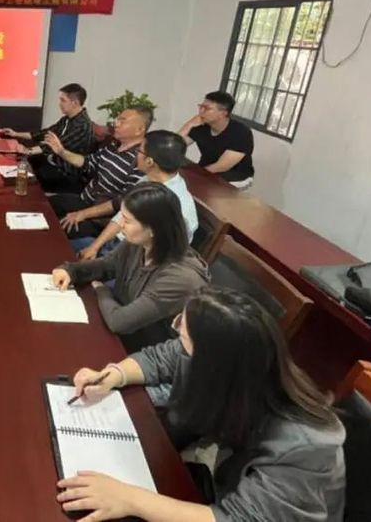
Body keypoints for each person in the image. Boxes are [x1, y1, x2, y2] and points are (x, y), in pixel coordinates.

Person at [58, 288, 344, 522]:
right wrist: (114, 375)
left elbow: (239, 518)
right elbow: (162, 358)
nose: (177, 339)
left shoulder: (305, 447)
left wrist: (131, 498)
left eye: (183, 336)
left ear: (213, 367)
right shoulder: (241, 370)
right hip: (226, 487)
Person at [51, 182, 209, 350]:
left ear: (153, 229)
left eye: (126, 220)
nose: (120, 224)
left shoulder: (180, 278)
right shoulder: (140, 242)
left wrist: (101, 290)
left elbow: (119, 322)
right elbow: (106, 266)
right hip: (119, 328)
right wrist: (71, 270)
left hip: (146, 350)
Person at [69, 130, 199, 260]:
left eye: (139, 151)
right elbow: (121, 216)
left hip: (131, 259)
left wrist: (100, 262)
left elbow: (156, 258)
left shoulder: (175, 206)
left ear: (149, 161)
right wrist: (94, 247)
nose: (136, 154)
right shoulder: (148, 179)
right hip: (116, 244)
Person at [46, 106, 151, 239]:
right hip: (84, 200)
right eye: (117, 119)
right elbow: (88, 163)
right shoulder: (113, 145)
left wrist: (82, 214)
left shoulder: (140, 160)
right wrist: (61, 151)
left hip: (100, 219)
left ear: (139, 130)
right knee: (43, 206)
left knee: (55, 230)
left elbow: (121, 203)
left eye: (122, 121)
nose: (116, 123)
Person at [0, 83, 95, 193]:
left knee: (31, 174)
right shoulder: (67, 119)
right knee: (27, 161)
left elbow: (55, 147)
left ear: (75, 103)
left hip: (67, 172)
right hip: (54, 162)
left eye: (63, 100)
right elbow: (44, 133)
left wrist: (28, 150)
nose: (59, 104)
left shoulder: (82, 125)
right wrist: (16, 134)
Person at [179, 91, 255, 189]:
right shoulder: (201, 125)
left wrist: (194, 176)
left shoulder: (241, 132)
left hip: (234, 177)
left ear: (223, 113)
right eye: (201, 107)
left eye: (207, 108)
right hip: (206, 170)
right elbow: (173, 145)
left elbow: (222, 166)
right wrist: (189, 125)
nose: (201, 111)